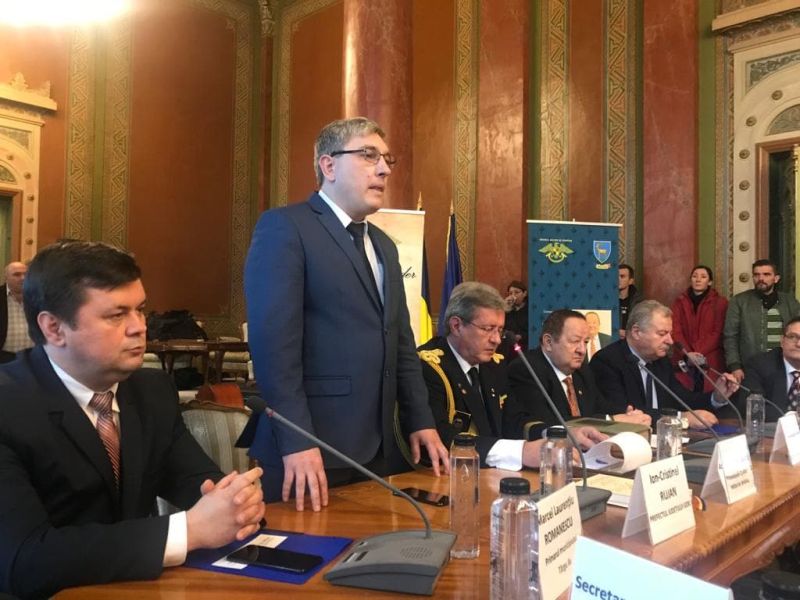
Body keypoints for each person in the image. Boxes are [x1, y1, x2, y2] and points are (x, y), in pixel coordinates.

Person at [0, 241, 265, 599]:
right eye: (116, 315)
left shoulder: (151, 390)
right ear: (54, 328)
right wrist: (188, 531)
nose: (139, 327)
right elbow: (23, 560)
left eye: (140, 310)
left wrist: (236, 503)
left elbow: (197, 483)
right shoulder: (8, 405)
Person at [244, 117, 448, 512]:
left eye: (386, 159)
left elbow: (401, 343)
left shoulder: (385, 245)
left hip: (382, 448)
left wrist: (421, 420)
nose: (384, 169)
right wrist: (298, 439)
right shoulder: (286, 228)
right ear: (329, 165)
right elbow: (274, 349)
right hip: (311, 451)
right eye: (369, 155)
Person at [418, 284, 606, 471]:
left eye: (499, 330)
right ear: (456, 326)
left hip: (489, 473)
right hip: (444, 475)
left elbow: (514, 421)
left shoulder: (494, 365)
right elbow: (439, 437)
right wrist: (522, 452)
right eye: (488, 329)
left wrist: (560, 435)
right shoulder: (429, 367)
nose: (496, 339)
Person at [590, 300, 739, 427]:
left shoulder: (660, 361)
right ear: (636, 332)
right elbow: (624, 414)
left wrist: (716, 397)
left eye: (670, 334)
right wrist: (680, 418)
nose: (670, 341)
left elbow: (682, 399)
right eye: (662, 334)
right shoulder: (607, 361)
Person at [504, 309, 650, 438]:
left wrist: (628, 415)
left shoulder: (582, 371)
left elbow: (601, 406)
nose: (582, 350)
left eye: (585, 342)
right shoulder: (526, 369)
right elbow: (548, 422)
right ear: (548, 342)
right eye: (575, 341)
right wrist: (611, 420)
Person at [724, 259, 800, 382]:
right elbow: (730, 336)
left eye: (766, 274)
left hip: (784, 366)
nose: (761, 278)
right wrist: (735, 366)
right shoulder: (739, 301)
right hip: (750, 368)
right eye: (756, 275)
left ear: (776, 278)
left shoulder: (790, 302)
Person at [670, 265, 728, 393]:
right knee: (683, 394)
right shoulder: (679, 301)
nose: (698, 279)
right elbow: (676, 330)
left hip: (710, 357)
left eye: (703, 277)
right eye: (695, 276)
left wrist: (696, 353)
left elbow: (718, 332)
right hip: (683, 356)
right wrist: (687, 354)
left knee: (709, 396)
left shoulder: (720, 302)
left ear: (710, 282)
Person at [735, 317, 800, 421]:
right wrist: (793, 419)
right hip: (772, 429)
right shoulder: (759, 365)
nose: (798, 344)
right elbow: (752, 408)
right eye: (792, 337)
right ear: (782, 341)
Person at [0, 260, 34, 363]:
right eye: (17, 275)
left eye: (25, 274)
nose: (23, 278)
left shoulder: (37, 296)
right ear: (6, 277)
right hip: (4, 358)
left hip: (32, 356)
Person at [618, 263, 642, 338]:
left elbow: (644, 325)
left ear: (630, 281)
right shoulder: (607, 300)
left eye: (622, 276)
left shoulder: (639, 302)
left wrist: (628, 334)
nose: (618, 279)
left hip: (632, 340)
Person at [503, 280, 529, 350]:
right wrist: (504, 308)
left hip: (525, 346)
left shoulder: (529, 309)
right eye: (510, 293)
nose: (513, 295)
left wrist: (521, 336)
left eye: (516, 292)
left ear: (524, 293)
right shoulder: (508, 309)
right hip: (508, 345)